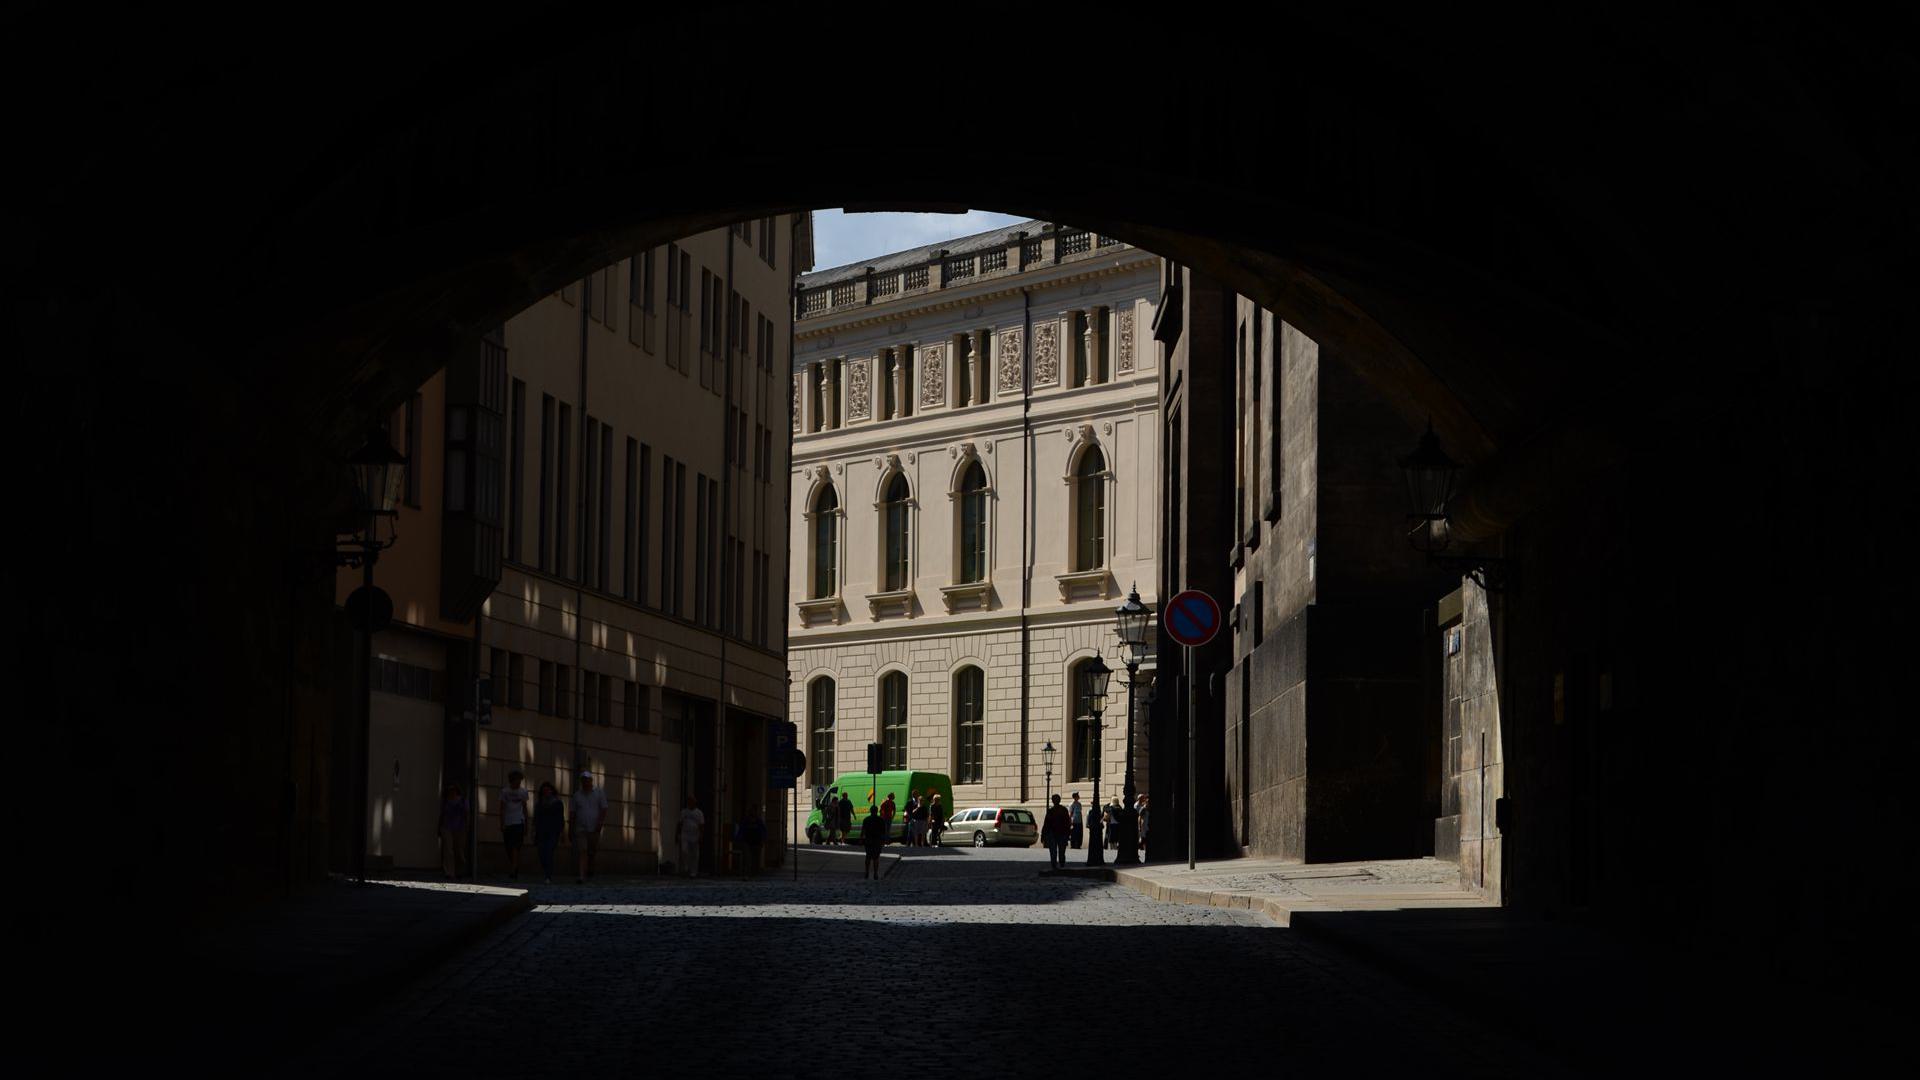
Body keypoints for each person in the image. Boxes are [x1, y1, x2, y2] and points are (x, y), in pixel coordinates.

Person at [571, 770, 609, 883]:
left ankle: (590, 870)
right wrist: (571, 827)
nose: (585, 782)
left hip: (594, 828)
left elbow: (604, 808)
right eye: (583, 780)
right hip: (581, 827)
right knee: (583, 850)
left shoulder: (599, 793)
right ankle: (582, 875)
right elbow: (572, 811)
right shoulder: (577, 795)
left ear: (591, 781)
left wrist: (600, 823)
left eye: (587, 780)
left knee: (591, 851)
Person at [532, 780, 566, 884]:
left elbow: (561, 819)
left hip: (553, 832)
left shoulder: (558, 804)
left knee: (549, 852)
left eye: (548, 790)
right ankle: (546, 872)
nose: (546, 792)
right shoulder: (539, 805)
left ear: (552, 791)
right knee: (541, 853)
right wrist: (533, 831)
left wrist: (562, 833)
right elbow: (535, 819)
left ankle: (548, 876)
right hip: (541, 832)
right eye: (544, 791)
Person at [499, 770, 531, 880]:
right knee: (508, 847)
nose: (518, 783)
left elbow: (525, 809)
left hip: (519, 822)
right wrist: (502, 823)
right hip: (508, 822)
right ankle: (515, 865)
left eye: (520, 780)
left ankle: (513, 869)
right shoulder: (505, 792)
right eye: (517, 780)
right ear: (511, 780)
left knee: (515, 846)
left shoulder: (523, 792)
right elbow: (502, 808)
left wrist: (527, 824)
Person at [438, 784, 470, 879]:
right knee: (448, 850)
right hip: (446, 827)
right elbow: (442, 815)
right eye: (450, 791)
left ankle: (460, 871)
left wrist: (467, 826)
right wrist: (438, 827)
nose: (451, 793)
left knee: (459, 851)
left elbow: (467, 814)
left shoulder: (463, 800)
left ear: (457, 791)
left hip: (460, 828)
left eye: (453, 791)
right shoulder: (445, 801)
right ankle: (449, 872)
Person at [676, 794, 705, 877]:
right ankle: (686, 866)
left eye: (692, 801)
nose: (690, 803)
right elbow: (679, 823)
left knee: (695, 854)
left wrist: (701, 835)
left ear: (695, 803)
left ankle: (693, 871)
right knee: (684, 850)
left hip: (695, 835)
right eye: (689, 801)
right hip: (685, 834)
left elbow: (701, 825)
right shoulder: (684, 812)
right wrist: (677, 834)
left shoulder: (699, 813)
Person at [1042, 794, 1072, 870]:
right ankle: (1059, 864)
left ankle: (1055, 865)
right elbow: (1067, 823)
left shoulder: (1052, 811)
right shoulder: (1062, 810)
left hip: (1056, 833)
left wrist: (1043, 835)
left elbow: (1046, 824)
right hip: (1058, 833)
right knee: (1059, 851)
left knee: (1055, 851)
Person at [860, 804, 886, 879]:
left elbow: (863, 830)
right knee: (876, 858)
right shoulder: (881, 820)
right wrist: (883, 841)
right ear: (877, 811)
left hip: (868, 840)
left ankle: (867, 872)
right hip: (877, 840)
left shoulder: (866, 819)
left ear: (870, 811)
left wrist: (861, 839)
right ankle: (875, 873)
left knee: (868, 857)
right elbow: (883, 832)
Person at [741, 807, 766, 875]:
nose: (753, 813)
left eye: (754, 811)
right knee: (747, 858)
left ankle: (754, 872)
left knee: (755, 859)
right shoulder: (746, 821)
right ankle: (747, 873)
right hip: (747, 842)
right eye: (751, 811)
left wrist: (762, 841)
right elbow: (742, 830)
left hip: (756, 842)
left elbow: (763, 832)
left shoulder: (759, 821)